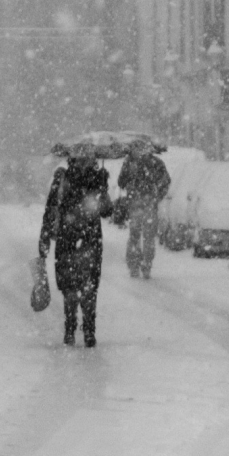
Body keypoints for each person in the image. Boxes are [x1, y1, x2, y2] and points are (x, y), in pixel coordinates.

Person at [39, 154, 112, 345]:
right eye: (79, 159)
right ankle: (70, 327)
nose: (83, 162)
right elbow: (51, 208)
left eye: (86, 159)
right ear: (72, 159)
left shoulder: (98, 178)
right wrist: (44, 237)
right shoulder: (62, 178)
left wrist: (104, 189)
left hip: (89, 240)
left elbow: (107, 211)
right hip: (69, 240)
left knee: (89, 286)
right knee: (69, 286)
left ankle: (88, 329)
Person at [117, 147, 170, 279]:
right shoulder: (156, 162)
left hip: (135, 203)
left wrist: (130, 176)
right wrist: (157, 196)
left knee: (135, 236)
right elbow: (165, 181)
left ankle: (135, 265)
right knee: (148, 237)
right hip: (149, 203)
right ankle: (147, 264)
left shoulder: (130, 162)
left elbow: (121, 182)